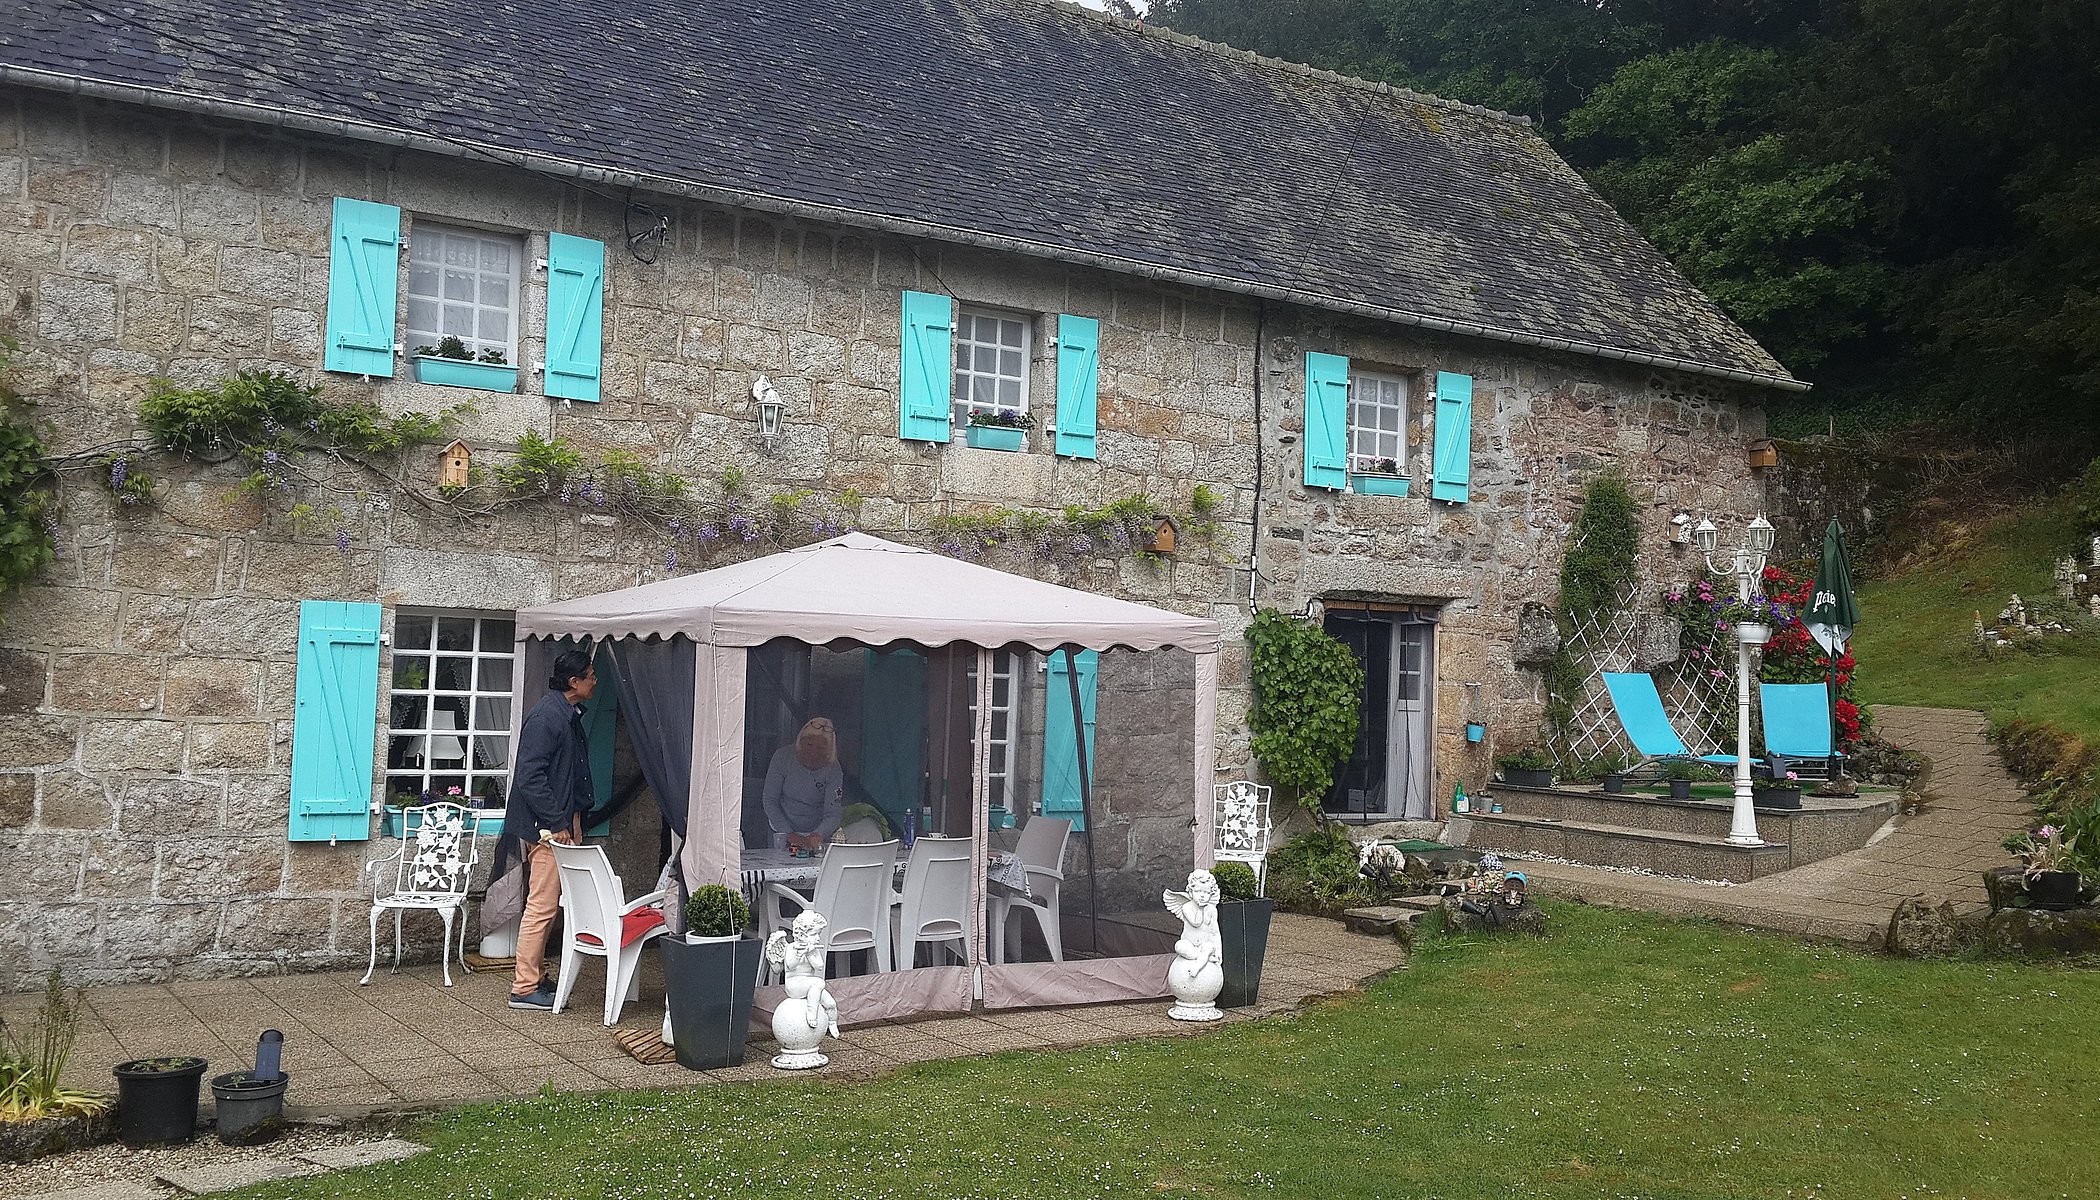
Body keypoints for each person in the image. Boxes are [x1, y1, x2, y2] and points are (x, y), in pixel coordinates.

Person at [503, 648, 598, 1010]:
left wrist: (571, 819)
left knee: (547, 906)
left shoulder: (564, 713)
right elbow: (530, 776)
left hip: (558, 825)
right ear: (574, 682)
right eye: (590, 675)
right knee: (541, 906)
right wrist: (556, 823)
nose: (595, 680)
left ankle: (536, 977)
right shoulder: (548, 717)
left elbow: (565, 774)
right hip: (548, 830)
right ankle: (525, 986)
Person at [761, 717, 845, 851]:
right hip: (781, 830)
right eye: (809, 744)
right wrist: (788, 834)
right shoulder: (782, 757)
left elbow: (833, 813)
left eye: (820, 748)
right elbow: (769, 800)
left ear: (829, 750)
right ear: (800, 741)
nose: (813, 752)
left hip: (815, 834)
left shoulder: (833, 768)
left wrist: (818, 834)